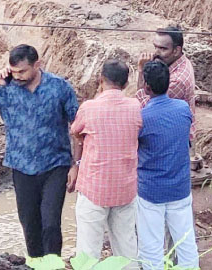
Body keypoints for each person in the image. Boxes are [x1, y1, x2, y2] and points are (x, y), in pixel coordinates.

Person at [0, 44, 78, 259]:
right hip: (21, 165)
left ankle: (53, 264)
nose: (18, 76)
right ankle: (35, 263)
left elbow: (77, 126)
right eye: (13, 71)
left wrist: (76, 165)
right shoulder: (5, 87)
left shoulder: (60, 87)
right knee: (29, 223)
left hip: (56, 164)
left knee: (51, 223)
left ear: (37, 65)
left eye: (23, 71)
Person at [68, 59, 141, 269]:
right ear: (126, 84)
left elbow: (75, 132)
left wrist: (78, 161)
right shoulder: (135, 107)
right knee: (126, 246)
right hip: (125, 189)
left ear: (100, 80)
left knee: (88, 251)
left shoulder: (89, 108)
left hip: (94, 188)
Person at [136, 60, 199, 270]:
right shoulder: (183, 109)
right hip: (180, 188)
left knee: (151, 246)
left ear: (146, 86)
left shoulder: (142, 117)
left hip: (150, 190)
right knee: (186, 241)